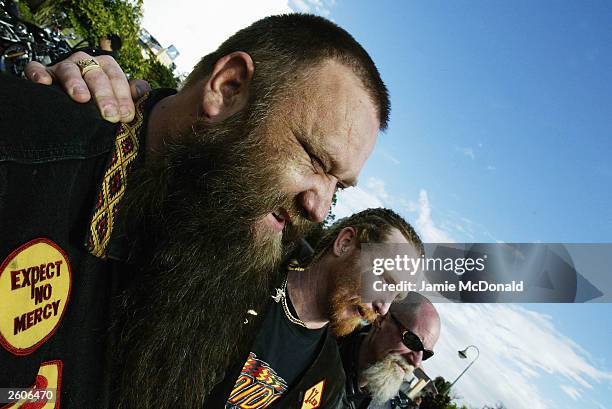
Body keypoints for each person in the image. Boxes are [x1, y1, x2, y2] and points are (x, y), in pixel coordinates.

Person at [0, 14, 389, 409]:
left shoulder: (241, 262)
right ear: (227, 89)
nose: (320, 209)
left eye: (338, 185)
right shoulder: (23, 157)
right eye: (317, 161)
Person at [209, 208, 424, 409]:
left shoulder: (330, 381)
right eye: (385, 281)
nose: (384, 307)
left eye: (395, 297)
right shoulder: (234, 273)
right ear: (345, 243)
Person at [340, 293, 441, 409]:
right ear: (381, 319)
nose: (417, 363)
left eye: (426, 354)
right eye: (413, 341)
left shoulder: (385, 406)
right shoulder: (321, 348)